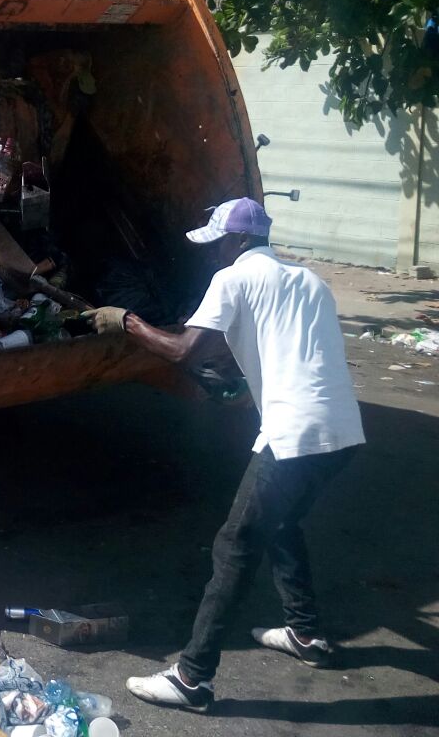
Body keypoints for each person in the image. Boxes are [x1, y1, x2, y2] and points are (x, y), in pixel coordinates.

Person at [85, 198, 365, 713]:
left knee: (235, 545)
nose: (212, 254)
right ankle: (305, 634)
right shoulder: (310, 281)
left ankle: (192, 678)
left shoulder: (233, 278)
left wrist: (125, 321)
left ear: (235, 242)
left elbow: (183, 351)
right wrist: (238, 384)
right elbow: (296, 354)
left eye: (216, 243)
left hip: (293, 437)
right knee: (283, 524)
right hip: (343, 432)